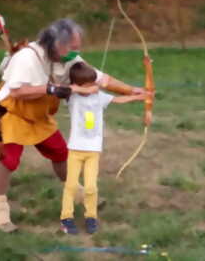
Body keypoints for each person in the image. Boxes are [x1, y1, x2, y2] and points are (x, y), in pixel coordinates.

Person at [0, 18, 146, 232]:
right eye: (72, 47)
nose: (75, 52)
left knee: (60, 153)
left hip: (39, 114)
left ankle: (78, 193)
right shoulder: (27, 58)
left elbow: (101, 79)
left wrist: (130, 90)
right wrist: (57, 90)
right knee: (9, 158)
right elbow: (17, 91)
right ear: (55, 43)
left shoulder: (67, 58)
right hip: (14, 112)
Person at [60, 62, 146, 234]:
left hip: (93, 150)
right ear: (77, 85)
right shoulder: (72, 97)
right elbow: (63, 90)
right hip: (75, 149)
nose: (93, 87)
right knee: (71, 185)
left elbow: (117, 99)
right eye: (88, 85)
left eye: (94, 83)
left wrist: (137, 97)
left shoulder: (98, 96)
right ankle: (66, 218)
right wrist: (81, 89)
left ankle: (91, 216)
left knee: (91, 187)